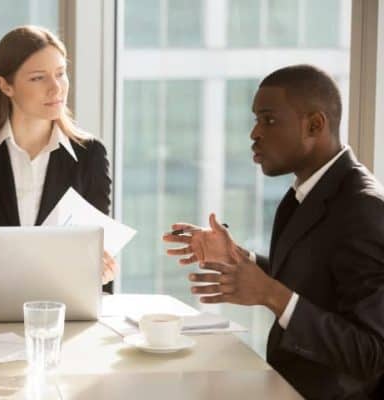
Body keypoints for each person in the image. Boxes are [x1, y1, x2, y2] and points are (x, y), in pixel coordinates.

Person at [163, 65, 384, 399]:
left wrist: (270, 294)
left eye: (268, 120)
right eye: (255, 120)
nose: (254, 134)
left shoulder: (364, 208)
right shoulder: (306, 192)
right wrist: (239, 258)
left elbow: (370, 354)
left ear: (314, 125)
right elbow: (317, 283)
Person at [0, 26, 117, 291]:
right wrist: (2, 287)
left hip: (64, 312)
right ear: (6, 85)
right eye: (38, 78)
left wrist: (101, 273)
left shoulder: (90, 155)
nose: (56, 88)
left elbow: (97, 249)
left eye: (61, 74)